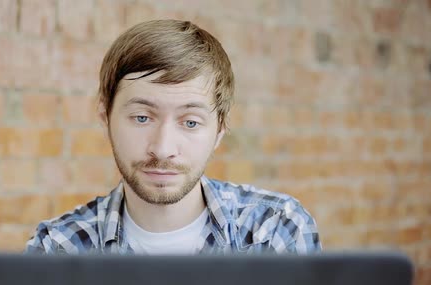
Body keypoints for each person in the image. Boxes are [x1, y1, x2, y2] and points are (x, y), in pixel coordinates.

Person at [25, 19, 321, 255]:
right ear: (106, 118)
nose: (163, 149)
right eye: (142, 118)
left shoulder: (276, 231)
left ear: (219, 131)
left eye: (190, 122)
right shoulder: (58, 249)